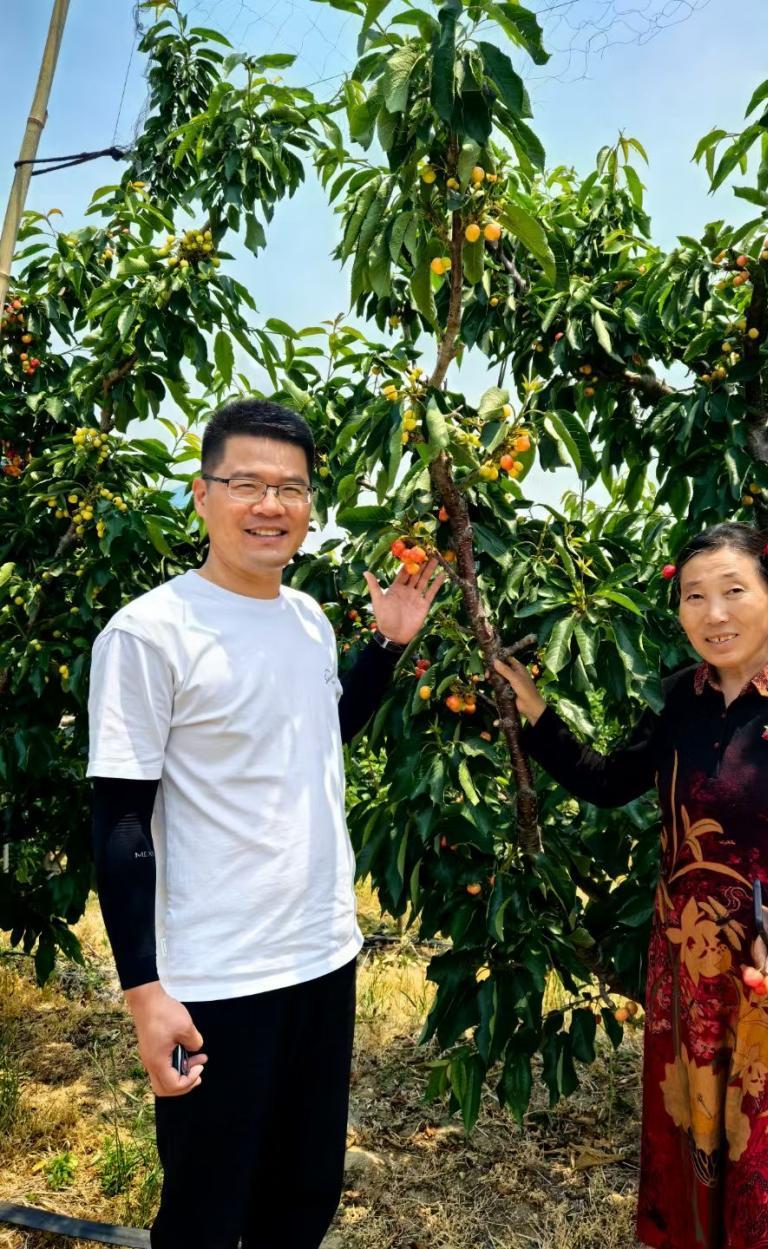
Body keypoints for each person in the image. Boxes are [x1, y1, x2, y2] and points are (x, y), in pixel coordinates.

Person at [494, 522, 768, 1249]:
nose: (713, 614)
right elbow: (607, 781)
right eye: (694, 596)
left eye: (733, 591)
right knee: (691, 1168)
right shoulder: (674, 700)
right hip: (687, 979)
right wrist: (534, 710)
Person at [87, 398, 443, 1249]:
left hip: (321, 953)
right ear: (204, 495)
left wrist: (386, 649)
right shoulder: (148, 633)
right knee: (209, 1209)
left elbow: (318, 733)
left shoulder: (307, 619)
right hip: (216, 973)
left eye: (290, 487)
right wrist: (145, 990)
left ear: (310, 506)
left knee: (305, 1194)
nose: (269, 504)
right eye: (246, 482)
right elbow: (120, 819)